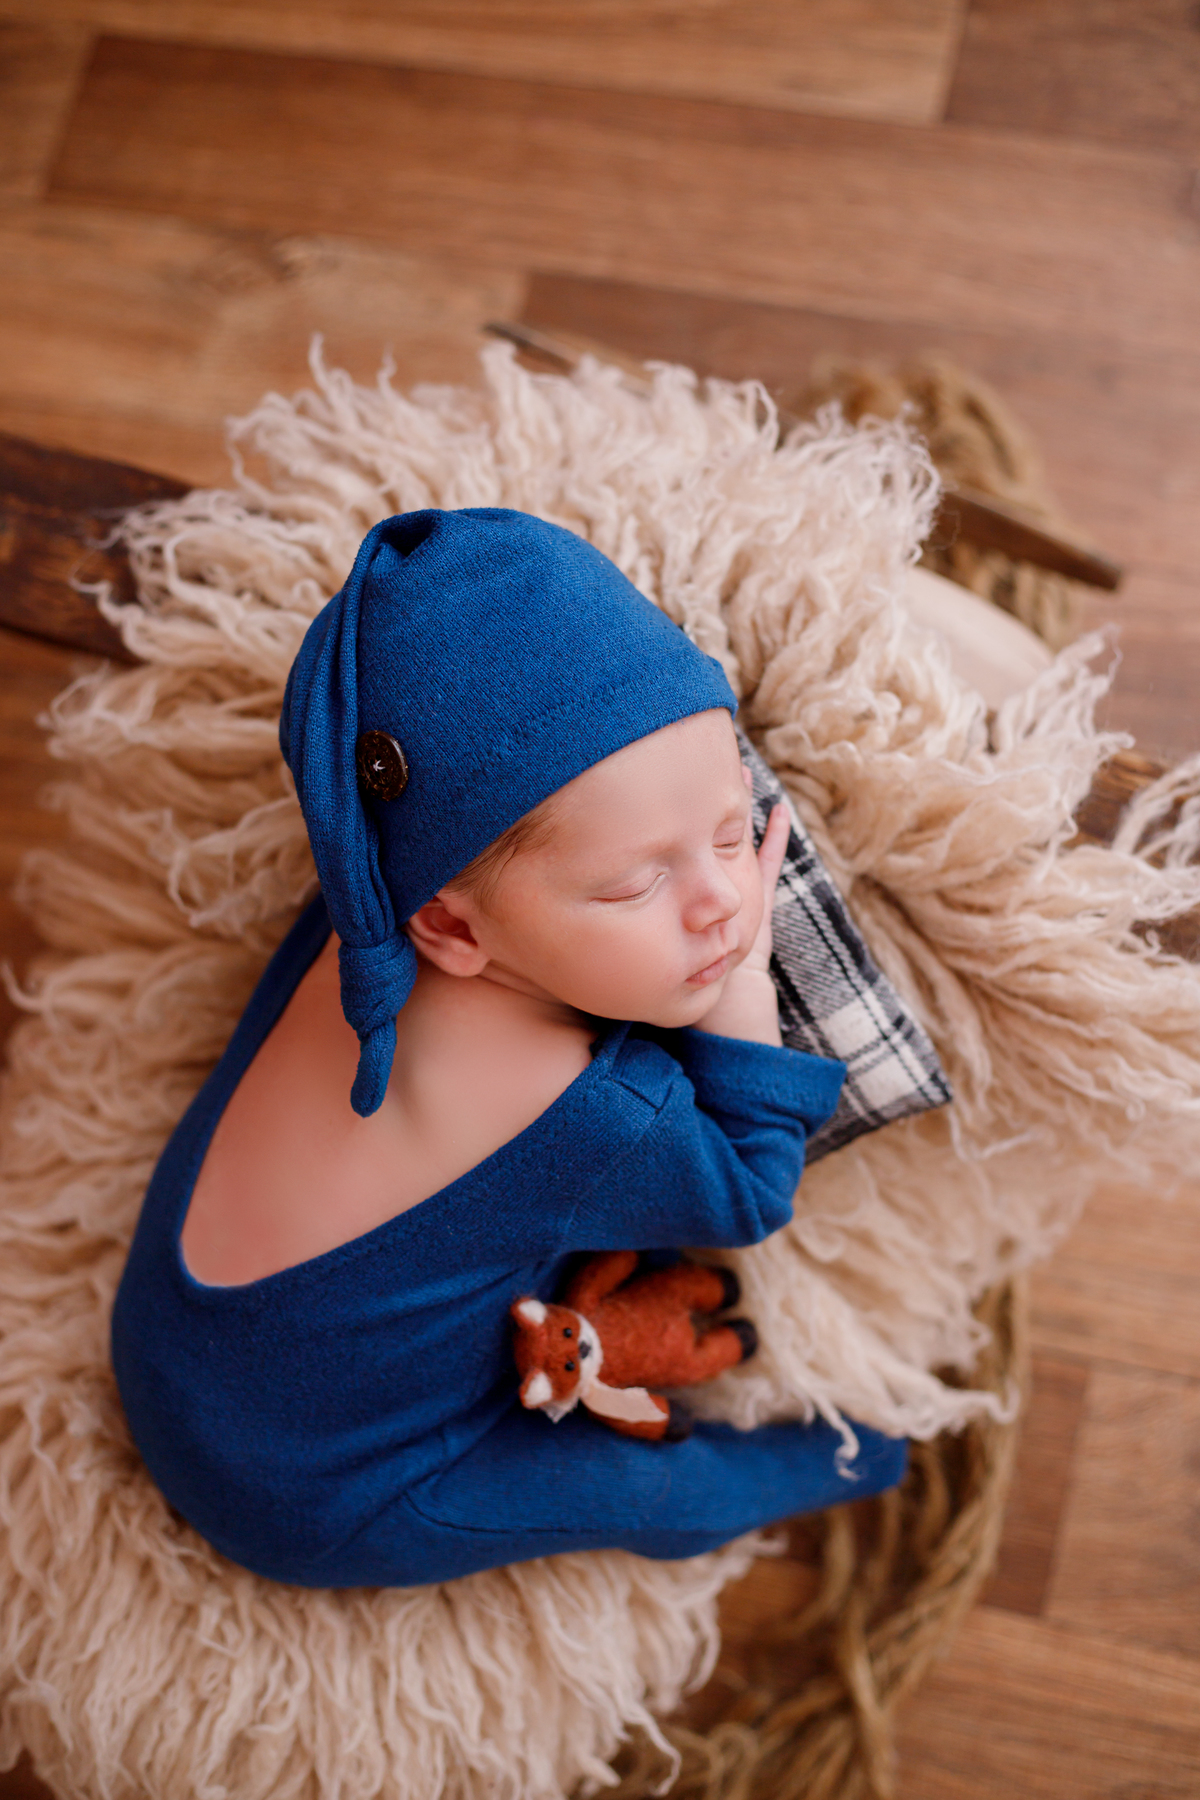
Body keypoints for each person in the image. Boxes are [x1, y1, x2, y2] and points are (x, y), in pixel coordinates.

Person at [111, 508, 906, 1588]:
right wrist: (746, 978)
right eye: (637, 883)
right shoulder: (581, 1109)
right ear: (450, 927)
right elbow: (753, 1187)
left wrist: (655, 884)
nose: (725, 898)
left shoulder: (369, 892)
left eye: (734, 830)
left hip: (167, 1337)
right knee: (645, 1491)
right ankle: (863, 1454)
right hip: (320, 1487)